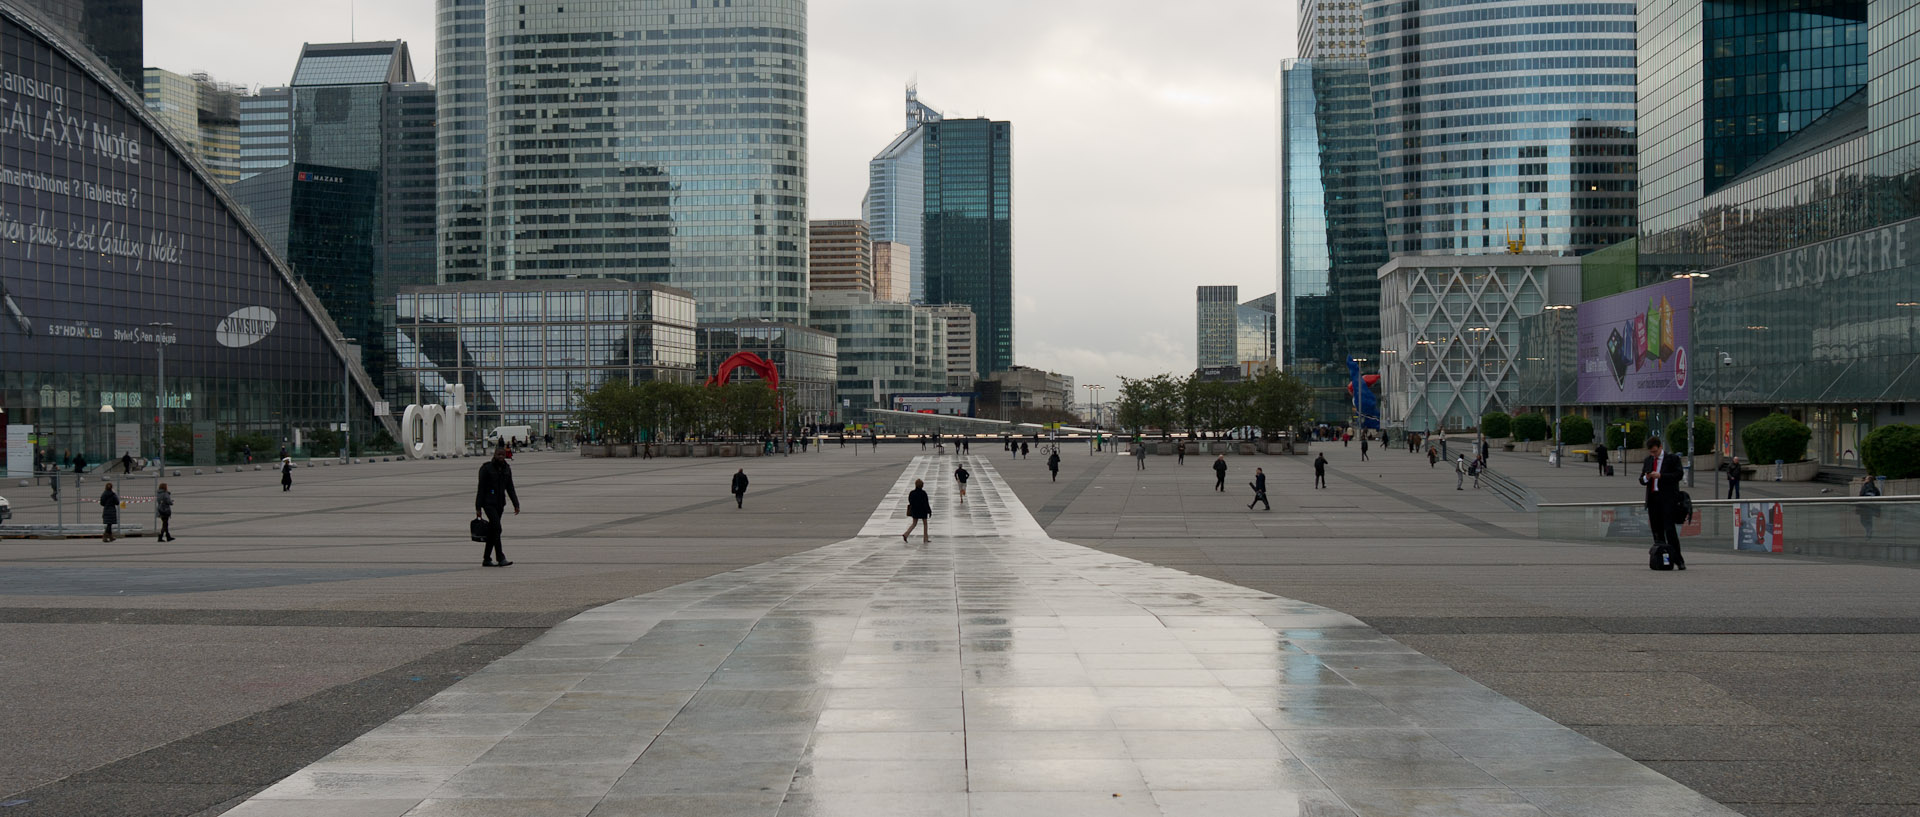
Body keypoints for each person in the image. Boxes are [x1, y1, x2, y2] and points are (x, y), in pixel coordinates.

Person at [1639, 436, 1686, 570]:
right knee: (1657, 531)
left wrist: (1661, 476)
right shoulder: (1648, 460)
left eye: (1655, 451)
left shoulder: (1672, 459)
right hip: (1653, 499)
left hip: (1668, 500)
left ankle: (1678, 560)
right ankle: (1662, 558)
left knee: (1670, 531)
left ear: (1660, 447)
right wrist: (1646, 477)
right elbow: (1641, 480)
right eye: (1651, 452)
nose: (1653, 454)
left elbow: (1678, 475)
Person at [475, 445, 521, 567]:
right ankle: (500, 557)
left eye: (503, 455)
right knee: (497, 528)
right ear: (494, 455)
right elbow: (481, 489)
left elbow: (510, 487)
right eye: (498, 455)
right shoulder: (486, 468)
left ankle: (486, 558)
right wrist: (478, 507)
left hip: (500, 503)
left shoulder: (507, 468)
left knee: (493, 530)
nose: (501, 457)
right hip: (488, 503)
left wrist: (516, 503)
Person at [903, 478, 931, 543]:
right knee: (925, 524)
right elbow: (926, 503)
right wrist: (929, 510)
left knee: (914, 523)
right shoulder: (923, 493)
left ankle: (906, 534)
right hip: (923, 510)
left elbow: (910, 501)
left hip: (915, 510)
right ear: (922, 485)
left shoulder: (912, 493)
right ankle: (925, 538)